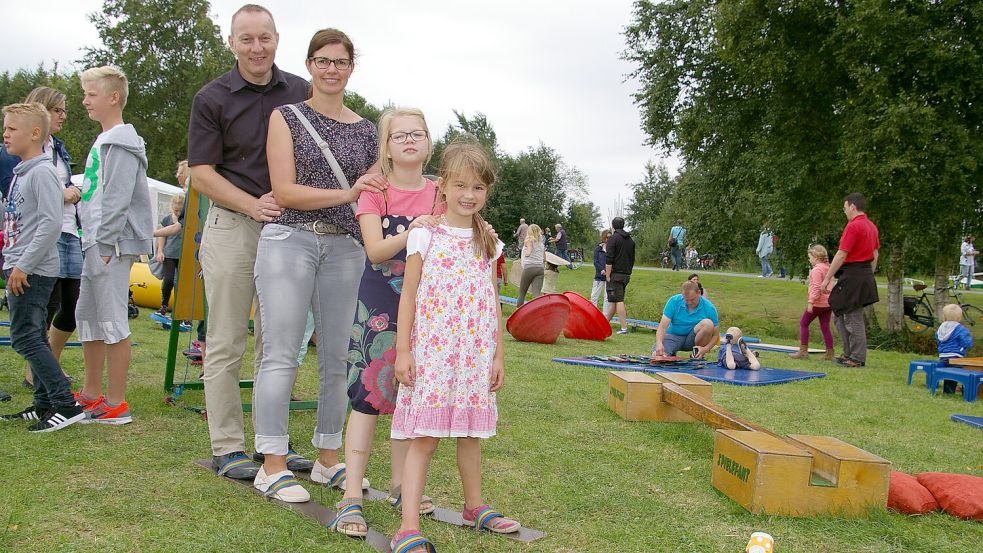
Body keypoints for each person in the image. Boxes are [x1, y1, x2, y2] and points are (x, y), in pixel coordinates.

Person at [250, 27, 386, 502]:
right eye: (322, 60)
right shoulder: (286, 117)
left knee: (337, 357)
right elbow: (284, 191)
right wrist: (348, 193)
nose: (331, 69)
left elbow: (379, 191)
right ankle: (272, 462)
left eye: (340, 61)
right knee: (282, 352)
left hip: (345, 247)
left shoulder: (368, 130)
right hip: (291, 239)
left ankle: (329, 458)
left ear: (351, 68)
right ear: (309, 65)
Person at [188, 4, 309, 480]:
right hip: (234, 226)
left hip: (289, 231)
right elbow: (201, 174)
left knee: (279, 342)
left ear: (277, 39)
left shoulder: (302, 92)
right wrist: (250, 204)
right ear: (232, 42)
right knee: (226, 339)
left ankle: (271, 443)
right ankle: (227, 446)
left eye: (265, 38)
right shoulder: (212, 97)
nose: (257, 48)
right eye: (247, 39)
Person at [390, 141, 520, 553]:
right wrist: (404, 351)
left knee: (469, 434)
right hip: (432, 353)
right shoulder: (424, 235)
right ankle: (408, 525)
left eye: (478, 187)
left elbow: (492, 300)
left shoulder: (490, 242)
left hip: (474, 356)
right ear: (442, 185)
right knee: (425, 437)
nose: (469, 194)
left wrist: (498, 354)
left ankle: (474, 506)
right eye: (460, 184)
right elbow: (408, 296)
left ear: (487, 192)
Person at [332, 107, 438, 534]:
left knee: (409, 394)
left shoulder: (441, 194)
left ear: (429, 143)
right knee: (367, 397)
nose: (410, 140)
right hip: (379, 305)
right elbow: (375, 251)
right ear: (386, 147)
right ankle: (351, 495)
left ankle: (400, 484)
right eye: (400, 135)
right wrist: (417, 228)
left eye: (418, 133)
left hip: (427, 311)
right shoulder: (375, 193)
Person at [74, 66, 153, 425]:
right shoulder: (103, 140)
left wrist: (105, 241)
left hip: (112, 245)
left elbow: (117, 197)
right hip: (93, 241)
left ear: (113, 97)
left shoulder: (121, 141)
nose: (85, 101)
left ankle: (117, 403)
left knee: (112, 320)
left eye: (91, 94)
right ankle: (91, 393)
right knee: (87, 316)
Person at [0, 102, 84, 432]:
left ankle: (65, 403)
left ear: (35, 134)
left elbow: (50, 224)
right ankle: (43, 403)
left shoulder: (41, 173)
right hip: (22, 265)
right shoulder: (23, 173)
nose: (5, 134)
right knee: (33, 334)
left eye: (11, 129)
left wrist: (23, 265)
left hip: (33, 270)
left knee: (23, 337)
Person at [822, 192, 879, 368]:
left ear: (853, 206)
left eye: (845, 208)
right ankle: (849, 354)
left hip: (854, 273)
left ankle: (856, 357)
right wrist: (869, 274)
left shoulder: (853, 226)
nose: (844, 211)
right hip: (863, 273)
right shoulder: (871, 226)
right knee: (839, 312)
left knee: (853, 317)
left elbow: (841, 254)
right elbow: (875, 254)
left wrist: (827, 278)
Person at [653, 280, 719, 359]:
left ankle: (697, 354)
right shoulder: (674, 301)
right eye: (686, 300)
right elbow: (662, 327)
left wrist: (706, 349)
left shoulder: (709, 308)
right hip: (674, 336)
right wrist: (659, 343)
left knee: (708, 324)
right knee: (657, 356)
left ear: (699, 293)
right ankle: (669, 353)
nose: (689, 303)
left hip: (694, 339)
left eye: (692, 299)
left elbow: (715, 335)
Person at [790, 245, 834, 360]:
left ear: (815, 257)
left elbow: (816, 287)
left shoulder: (816, 270)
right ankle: (830, 353)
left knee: (804, 323)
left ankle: (803, 351)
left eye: (810, 257)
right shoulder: (828, 268)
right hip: (828, 303)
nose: (809, 260)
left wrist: (811, 302)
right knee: (825, 326)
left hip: (817, 303)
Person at [153, 193, 185, 316]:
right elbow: (162, 235)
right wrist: (160, 251)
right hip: (169, 255)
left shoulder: (186, 220)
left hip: (183, 256)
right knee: (169, 280)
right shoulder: (167, 219)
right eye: (175, 210)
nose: (177, 213)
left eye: (179, 211)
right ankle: (164, 305)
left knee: (181, 284)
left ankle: (181, 312)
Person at [605, 217, 635, 335]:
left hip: (616, 274)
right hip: (626, 274)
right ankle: (605, 323)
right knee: (614, 300)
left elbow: (609, 258)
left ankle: (624, 328)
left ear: (613, 226)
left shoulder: (613, 239)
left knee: (619, 300)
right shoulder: (630, 240)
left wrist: (608, 275)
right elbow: (632, 258)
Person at [936, 304, 974, 394]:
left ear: (944, 317)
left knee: (950, 372)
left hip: (943, 357)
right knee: (965, 370)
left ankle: (948, 389)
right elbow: (967, 343)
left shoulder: (941, 328)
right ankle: (963, 390)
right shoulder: (960, 329)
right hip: (956, 357)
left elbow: (937, 339)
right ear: (959, 318)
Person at [516, 223, 544, 307]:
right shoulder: (541, 243)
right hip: (540, 268)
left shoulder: (528, 240)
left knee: (522, 292)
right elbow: (544, 257)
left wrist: (528, 253)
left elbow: (529, 249)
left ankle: (518, 312)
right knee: (536, 293)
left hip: (529, 268)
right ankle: (539, 312)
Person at [591, 229, 611, 311]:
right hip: (599, 276)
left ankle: (605, 317)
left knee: (607, 298)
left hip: (609, 277)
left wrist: (609, 272)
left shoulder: (612, 250)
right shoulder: (598, 249)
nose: (608, 239)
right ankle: (592, 314)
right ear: (603, 238)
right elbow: (595, 262)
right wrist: (602, 270)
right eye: (607, 237)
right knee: (594, 296)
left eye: (610, 238)